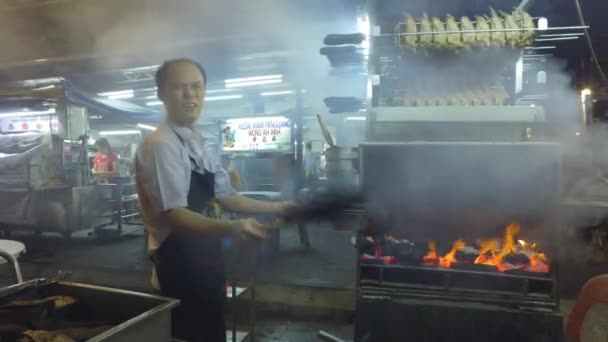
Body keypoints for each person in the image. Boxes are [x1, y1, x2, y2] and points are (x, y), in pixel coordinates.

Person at [135, 58, 290, 342]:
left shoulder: (197, 141)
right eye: (179, 87)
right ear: (161, 94)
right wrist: (234, 228)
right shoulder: (161, 144)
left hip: (206, 255)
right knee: (189, 332)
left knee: (213, 326)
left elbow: (226, 196)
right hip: (178, 263)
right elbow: (176, 215)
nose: (190, 94)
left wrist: (277, 207)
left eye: (197, 86)